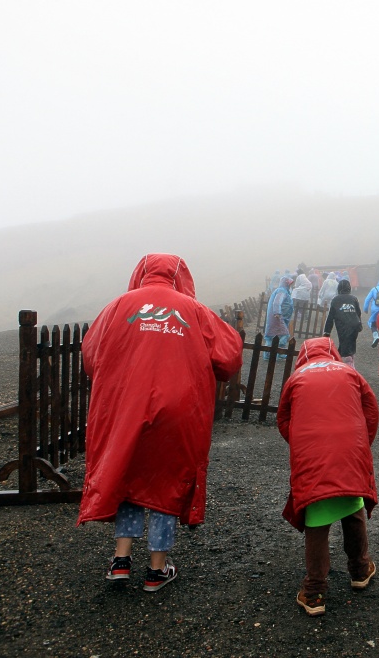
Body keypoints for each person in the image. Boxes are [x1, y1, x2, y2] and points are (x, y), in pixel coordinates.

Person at [77, 253, 243, 591]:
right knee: (166, 480)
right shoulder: (194, 312)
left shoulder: (116, 308)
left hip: (126, 408)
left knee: (129, 474)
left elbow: (91, 359)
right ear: (181, 276)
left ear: (141, 272)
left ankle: (121, 561)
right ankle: (156, 569)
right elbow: (228, 358)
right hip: (179, 410)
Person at [277, 337, 379, 617]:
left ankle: (314, 593)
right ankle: (360, 570)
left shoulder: (296, 378)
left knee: (317, 519)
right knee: (353, 505)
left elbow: (283, 420)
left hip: (313, 455)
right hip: (350, 451)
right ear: (332, 351)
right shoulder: (349, 372)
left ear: (303, 357)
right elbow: (371, 410)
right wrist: (361, 444)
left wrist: (301, 447)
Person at [323, 279, 363, 369]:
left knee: (345, 348)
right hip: (355, 325)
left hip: (343, 325)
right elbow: (358, 312)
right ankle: (348, 363)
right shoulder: (353, 298)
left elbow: (330, 317)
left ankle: (350, 370)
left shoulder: (335, 300)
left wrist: (327, 331)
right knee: (350, 344)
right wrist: (359, 324)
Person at [265, 275, 294, 359]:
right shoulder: (282, 291)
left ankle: (268, 354)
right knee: (284, 334)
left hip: (277, 317)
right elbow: (277, 302)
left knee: (272, 335)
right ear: (286, 284)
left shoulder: (283, 290)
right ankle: (280, 353)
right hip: (277, 317)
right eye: (289, 284)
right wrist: (277, 313)